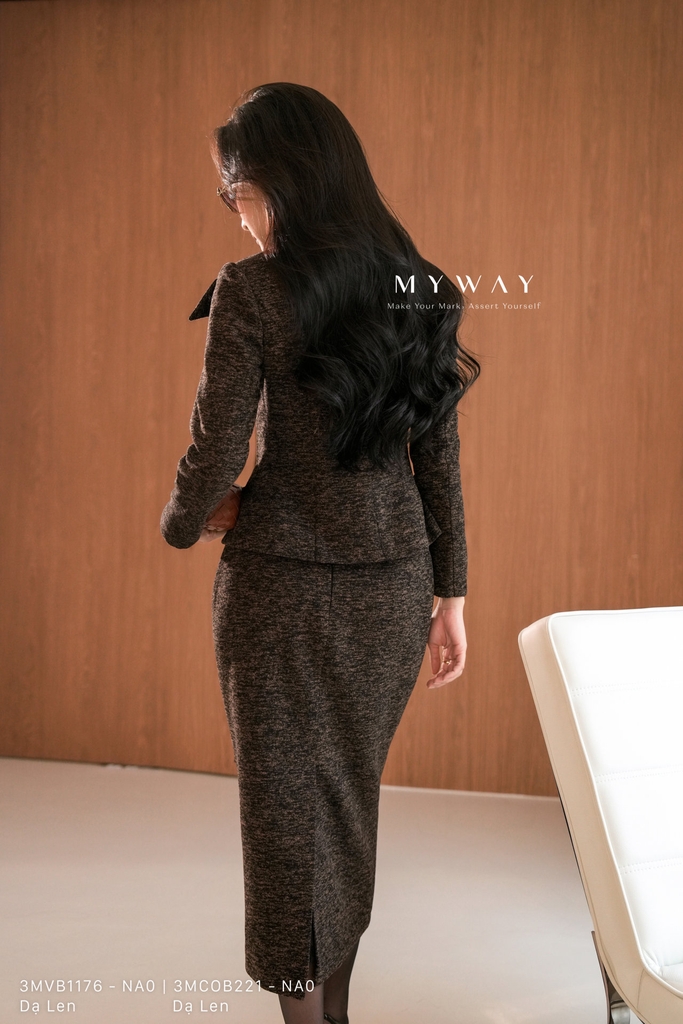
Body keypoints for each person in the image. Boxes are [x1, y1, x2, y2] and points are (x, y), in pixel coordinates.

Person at [160, 82, 479, 1024]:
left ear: (282, 180)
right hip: (392, 593)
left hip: (278, 591)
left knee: (282, 819)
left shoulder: (251, 289)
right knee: (341, 803)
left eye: (236, 190)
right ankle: (331, 1011)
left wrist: (183, 521)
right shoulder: (421, 284)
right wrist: (451, 597)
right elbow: (438, 459)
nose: (236, 212)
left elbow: (218, 447)